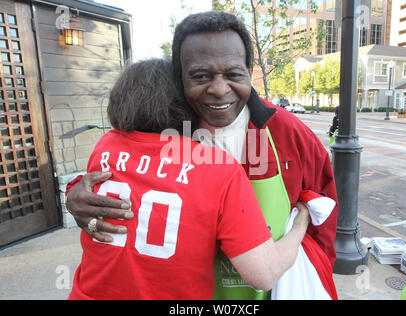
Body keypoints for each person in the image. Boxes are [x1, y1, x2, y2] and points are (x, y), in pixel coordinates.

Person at [66, 11, 338, 300]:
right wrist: (75, 196)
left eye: (233, 74)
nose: (219, 90)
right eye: (200, 76)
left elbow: (324, 210)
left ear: (249, 71)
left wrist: (316, 271)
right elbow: (123, 177)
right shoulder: (163, 128)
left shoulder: (289, 133)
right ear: (179, 76)